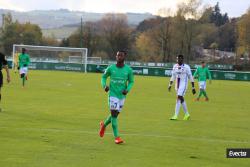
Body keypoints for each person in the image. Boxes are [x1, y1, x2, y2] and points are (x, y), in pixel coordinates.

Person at [99, 50, 134, 144]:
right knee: (114, 116)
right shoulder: (111, 68)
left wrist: (127, 89)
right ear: (116, 57)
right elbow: (103, 77)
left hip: (122, 96)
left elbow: (131, 81)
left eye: (121, 55)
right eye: (118, 55)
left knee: (115, 115)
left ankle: (104, 125)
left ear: (124, 57)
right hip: (113, 95)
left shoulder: (128, 70)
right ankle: (117, 137)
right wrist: (104, 86)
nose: (119, 57)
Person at [168, 54, 196, 120]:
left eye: (180, 59)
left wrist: (193, 87)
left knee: (179, 97)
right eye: (177, 59)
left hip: (183, 84)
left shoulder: (186, 67)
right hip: (177, 85)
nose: (178, 60)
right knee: (181, 98)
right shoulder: (174, 66)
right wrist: (170, 85)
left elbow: (190, 77)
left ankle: (175, 115)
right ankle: (187, 114)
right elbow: (173, 76)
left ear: (182, 60)